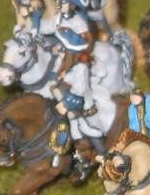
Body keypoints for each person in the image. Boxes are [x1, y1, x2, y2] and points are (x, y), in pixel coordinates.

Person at [48, 28, 119, 176]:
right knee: (62, 124)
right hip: (69, 99)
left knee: (88, 130)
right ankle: (61, 152)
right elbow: (60, 75)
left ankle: (105, 156)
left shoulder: (81, 68)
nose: (61, 50)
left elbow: (80, 90)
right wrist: (57, 79)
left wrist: (66, 103)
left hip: (82, 105)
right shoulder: (68, 63)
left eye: (64, 48)